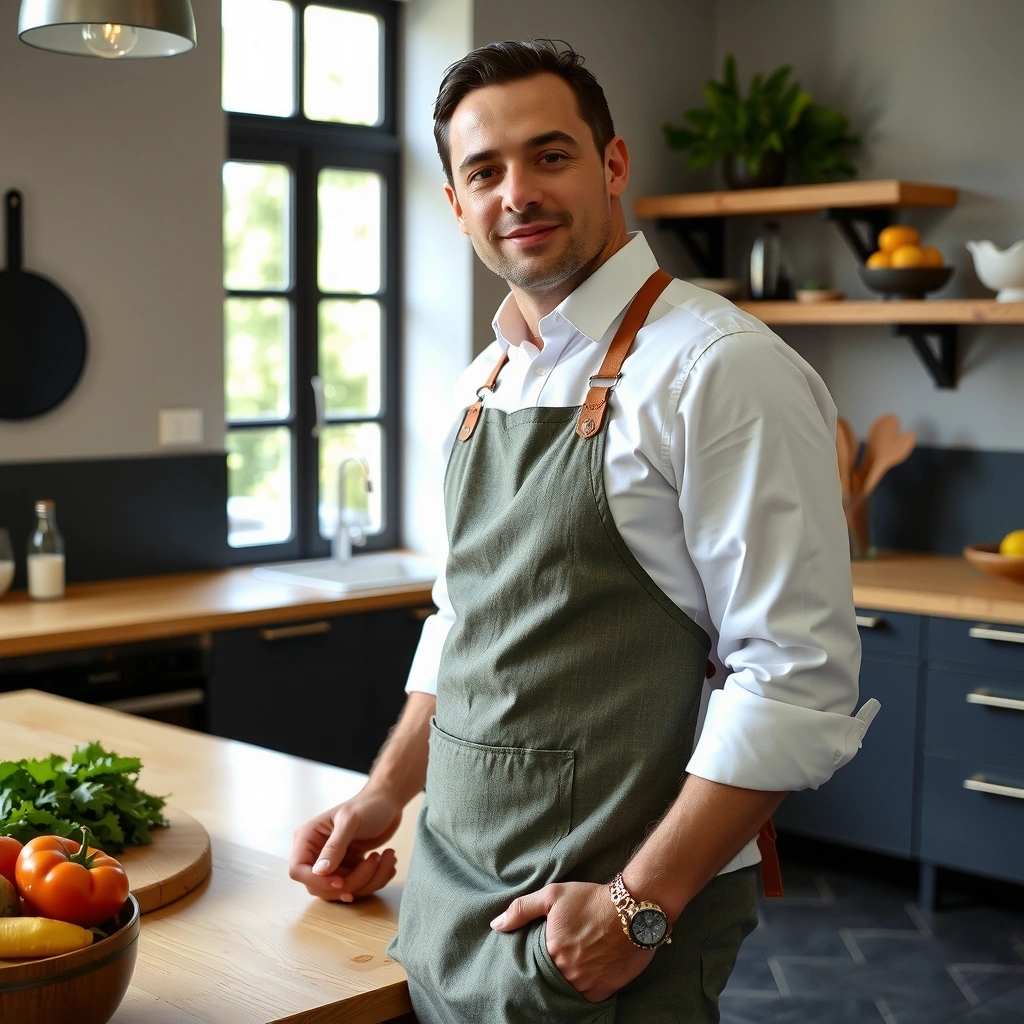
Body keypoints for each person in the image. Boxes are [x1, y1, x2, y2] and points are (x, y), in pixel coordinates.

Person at [289, 39, 879, 1023]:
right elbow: (464, 617)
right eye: (484, 170)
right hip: (452, 885)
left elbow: (794, 677)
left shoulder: (720, 368)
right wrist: (384, 795)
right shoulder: (481, 383)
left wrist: (638, 905)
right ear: (455, 203)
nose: (516, 190)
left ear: (611, 166)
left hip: (603, 910)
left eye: (549, 155)